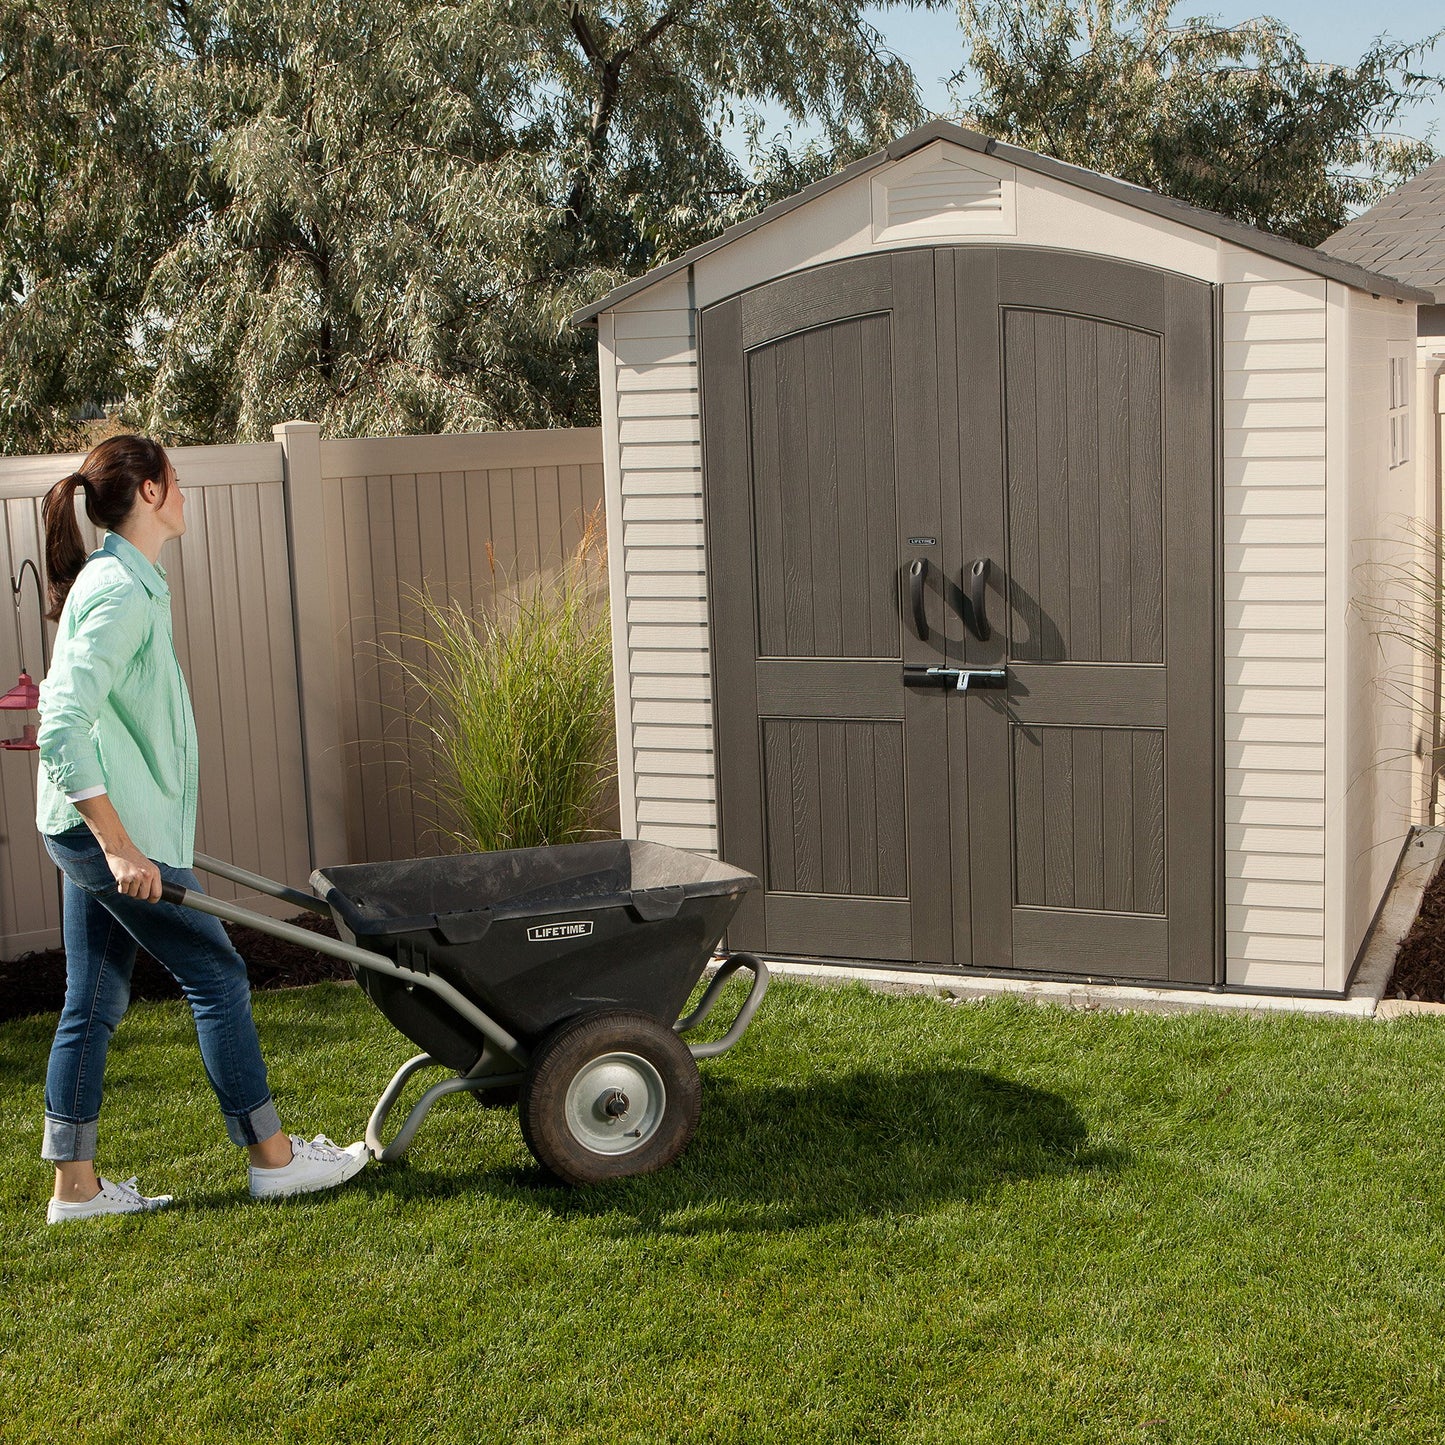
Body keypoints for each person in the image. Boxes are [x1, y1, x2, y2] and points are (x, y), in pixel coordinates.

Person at [35, 435, 368, 1223]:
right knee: (217, 977)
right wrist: (120, 844)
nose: (184, 495)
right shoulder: (118, 589)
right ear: (147, 493)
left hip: (93, 831)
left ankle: (74, 1188)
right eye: (175, 482)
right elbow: (60, 722)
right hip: (108, 838)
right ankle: (273, 1158)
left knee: (94, 997)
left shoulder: (126, 582)